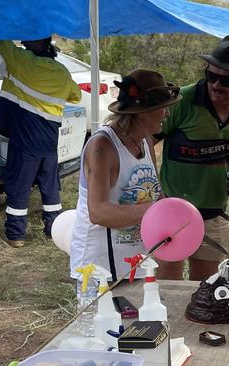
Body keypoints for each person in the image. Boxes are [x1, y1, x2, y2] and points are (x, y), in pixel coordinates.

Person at [154, 35, 229, 281]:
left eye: (225, 79)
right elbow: (145, 141)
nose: (215, 84)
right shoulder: (181, 102)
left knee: (209, 292)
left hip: (213, 214)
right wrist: (156, 191)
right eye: (210, 76)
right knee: (165, 290)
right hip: (171, 213)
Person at [69, 69, 181, 281]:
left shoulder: (146, 142)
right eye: (163, 108)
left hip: (136, 262)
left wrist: (174, 214)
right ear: (142, 111)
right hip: (99, 269)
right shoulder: (103, 147)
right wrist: (155, 210)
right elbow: (99, 213)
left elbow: (154, 194)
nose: (167, 114)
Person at [0, 38, 81, 248]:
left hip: (25, 141)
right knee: (50, 189)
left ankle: (16, 235)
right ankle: (53, 231)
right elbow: (75, 96)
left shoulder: (21, 60)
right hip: (49, 142)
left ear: (34, 45)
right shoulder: (61, 72)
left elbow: (2, 42)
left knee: (19, 187)